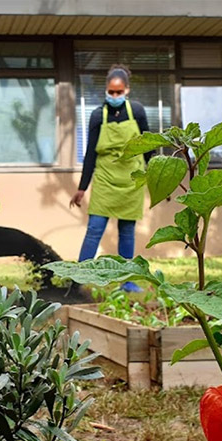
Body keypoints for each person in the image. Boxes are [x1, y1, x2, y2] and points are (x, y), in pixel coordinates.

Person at [69, 65, 152, 292]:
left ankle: (128, 281)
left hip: (131, 179)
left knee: (127, 230)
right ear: (106, 90)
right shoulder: (98, 115)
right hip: (105, 178)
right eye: (111, 92)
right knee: (95, 228)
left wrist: (155, 179)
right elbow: (90, 154)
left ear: (127, 90)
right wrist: (82, 188)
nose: (114, 96)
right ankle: (79, 278)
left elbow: (149, 148)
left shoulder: (137, 112)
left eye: (119, 92)